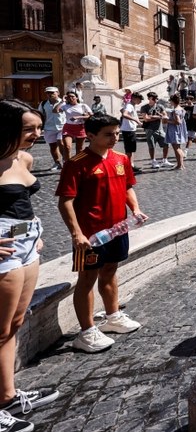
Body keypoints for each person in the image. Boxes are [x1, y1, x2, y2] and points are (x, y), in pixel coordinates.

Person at [56, 114, 147, 353]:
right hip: (90, 235)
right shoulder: (77, 163)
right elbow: (66, 201)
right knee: (87, 279)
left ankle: (113, 316)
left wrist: (135, 209)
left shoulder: (121, 158)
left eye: (117, 133)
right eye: (108, 134)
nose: (114, 138)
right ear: (91, 135)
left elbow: (127, 186)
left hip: (117, 229)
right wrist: (76, 234)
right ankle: (86, 332)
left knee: (110, 270)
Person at [0, 100, 60, 427]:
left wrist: (33, 230)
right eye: (29, 129)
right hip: (3, 247)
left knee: (14, 324)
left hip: (26, 242)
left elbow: (19, 203)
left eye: (39, 127)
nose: (37, 134)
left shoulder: (24, 157)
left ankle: (7, 395)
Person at [57, 91, 92, 163]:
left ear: (76, 97)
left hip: (80, 127)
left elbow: (91, 115)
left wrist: (78, 117)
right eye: (69, 97)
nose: (71, 98)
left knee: (79, 149)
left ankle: (77, 164)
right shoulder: (65, 106)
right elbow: (55, 110)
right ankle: (67, 164)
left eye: (72, 96)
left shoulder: (83, 105)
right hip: (68, 127)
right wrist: (61, 101)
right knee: (67, 147)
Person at [139, 93, 171, 170]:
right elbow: (146, 119)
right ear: (149, 98)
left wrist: (153, 116)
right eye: (154, 98)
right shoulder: (144, 107)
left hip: (160, 129)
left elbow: (165, 116)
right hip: (150, 130)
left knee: (166, 144)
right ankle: (153, 161)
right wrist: (159, 117)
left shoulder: (160, 106)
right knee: (151, 146)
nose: (156, 100)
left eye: (156, 98)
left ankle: (164, 160)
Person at [39, 87, 65, 171]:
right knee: (53, 146)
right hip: (49, 127)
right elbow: (40, 114)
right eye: (48, 93)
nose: (50, 94)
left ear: (58, 93)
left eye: (52, 93)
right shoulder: (43, 104)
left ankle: (65, 161)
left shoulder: (64, 102)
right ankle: (57, 163)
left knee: (60, 142)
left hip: (62, 126)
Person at [164, 94, 188, 170]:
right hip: (179, 130)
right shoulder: (181, 109)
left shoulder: (175, 110)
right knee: (178, 147)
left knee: (176, 148)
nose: (170, 102)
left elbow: (178, 122)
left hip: (175, 130)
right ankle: (181, 164)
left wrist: (167, 120)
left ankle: (180, 165)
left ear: (172, 101)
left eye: (170, 101)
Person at [119, 92, 142, 170]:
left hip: (129, 129)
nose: (140, 102)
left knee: (131, 149)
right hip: (128, 130)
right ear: (134, 98)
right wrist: (136, 120)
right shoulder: (129, 106)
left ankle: (131, 166)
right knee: (129, 150)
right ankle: (128, 167)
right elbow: (124, 114)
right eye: (139, 100)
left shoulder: (130, 105)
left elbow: (121, 110)